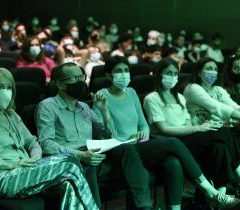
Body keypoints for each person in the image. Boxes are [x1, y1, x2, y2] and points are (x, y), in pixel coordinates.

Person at [92, 56, 240, 210]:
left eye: (126, 70)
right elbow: (107, 137)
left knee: (174, 162)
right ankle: (211, 191)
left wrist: (142, 134)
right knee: (177, 142)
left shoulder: (131, 92)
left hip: (142, 144)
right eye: (118, 71)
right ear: (108, 75)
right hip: (123, 150)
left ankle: (177, 207)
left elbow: (143, 125)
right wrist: (105, 113)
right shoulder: (101, 97)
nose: (123, 74)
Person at [0, 67, 98, 210]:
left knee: (67, 184)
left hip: (26, 169)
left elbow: (32, 142)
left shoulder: (12, 115)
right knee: (70, 163)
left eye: (9, 87)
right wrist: (7, 164)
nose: (5, 91)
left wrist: (35, 157)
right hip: (1, 177)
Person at [36, 62, 157, 210]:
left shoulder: (85, 107)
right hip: (71, 157)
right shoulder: (47, 106)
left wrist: (105, 112)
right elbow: (46, 144)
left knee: (126, 148)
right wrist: (80, 155)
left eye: (81, 77)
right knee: (88, 165)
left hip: (93, 151)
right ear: (60, 84)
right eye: (74, 78)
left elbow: (111, 138)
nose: (80, 82)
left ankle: (144, 207)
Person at [143, 57, 240, 196]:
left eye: (175, 73)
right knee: (222, 132)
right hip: (171, 143)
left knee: (220, 147)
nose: (173, 77)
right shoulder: (151, 98)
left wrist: (198, 127)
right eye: (168, 73)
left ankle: (221, 192)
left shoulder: (180, 98)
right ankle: (237, 175)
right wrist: (198, 129)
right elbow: (163, 129)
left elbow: (188, 124)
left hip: (188, 139)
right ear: (159, 74)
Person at [183, 57, 240, 126]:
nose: (213, 72)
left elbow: (233, 106)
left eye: (215, 69)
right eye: (209, 69)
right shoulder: (192, 88)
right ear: (199, 73)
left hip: (218, 128)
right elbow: (215, 107)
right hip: (198, 130)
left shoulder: (218, 89)